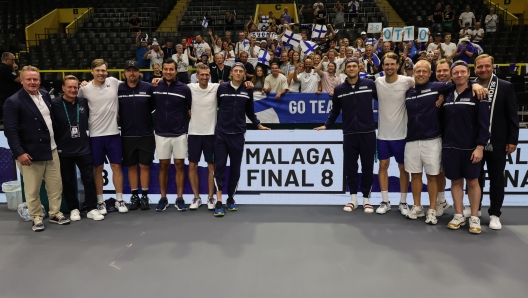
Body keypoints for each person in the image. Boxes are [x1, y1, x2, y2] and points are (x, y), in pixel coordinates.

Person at [4, 66, 70, 231]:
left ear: (39, 81)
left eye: (35, 79)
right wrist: (19, 153)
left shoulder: (46, 95)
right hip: (30, 153)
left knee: (56, 186)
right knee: (32, 189)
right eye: (29, 79)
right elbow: (10, 131)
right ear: (22, 80)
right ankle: (36, 217)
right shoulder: (13, 101)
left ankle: (55, 213)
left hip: (52, 149)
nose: (32, 82)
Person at [314, 57, 377, 213]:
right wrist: (327, 125)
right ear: (345, 69)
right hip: (349, 133)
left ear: (359, 68)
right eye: (349, 66)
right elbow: (335, 110)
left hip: (368, 133)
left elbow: (385, 99)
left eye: (354, 66)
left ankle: (367, 200)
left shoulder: (370, 85)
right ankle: (353, 199)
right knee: (351, 167)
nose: (351, 68)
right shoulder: (340, 90)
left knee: (368, 167)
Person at [213, 62, 270, 217]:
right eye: (235, 71)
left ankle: (230, 198)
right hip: (221, 134)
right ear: (231, 73)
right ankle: (218, 201)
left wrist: (258, 125)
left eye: (241, 71)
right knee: (220, 167)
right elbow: (211, 105)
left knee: (236, 169)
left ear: (244, 74)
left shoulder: (248, 90)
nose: (238, 73)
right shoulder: (222, 88)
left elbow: (250, 112)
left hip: (238, 134)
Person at [443, 60, 490, 234]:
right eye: (456, 73)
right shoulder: (447, 93)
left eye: (463, 72)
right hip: (450, 147)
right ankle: (459, 214)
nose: (459, 75)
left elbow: (484, 124)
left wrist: (480, 147)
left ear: (468, 74)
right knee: (455, 181)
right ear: (451, 75)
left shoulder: (478, 93)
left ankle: (475, 216)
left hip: (471, 148)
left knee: (472, 182)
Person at [474, 54, 519, 230]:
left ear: (493, 67)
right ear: (475, 68)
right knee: (475, 179)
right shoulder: (470, 85)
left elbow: (512, 115)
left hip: (498, 141)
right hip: (475, 142)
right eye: (480, 67)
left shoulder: (505, 87)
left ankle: (494, 214)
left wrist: (512, 139)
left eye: (486, 66)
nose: (483, 69)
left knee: (496, 179)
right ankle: (475, 209)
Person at [50, 75, 103, 221]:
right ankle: (74, 208)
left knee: (89, 179)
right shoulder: (54, 104)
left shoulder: (83, 102)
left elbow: (97, 90)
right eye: (70, 87)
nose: (73, 90)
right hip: (63, 149)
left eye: (75, 87)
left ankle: (91, 208)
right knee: (68, 181)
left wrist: (88, 83)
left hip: (83, 148)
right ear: (63, 88)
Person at [79, 59, 127, 214]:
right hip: (95, 136)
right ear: (92, 71)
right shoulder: (84, 89)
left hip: (113, 134)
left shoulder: (114, 82)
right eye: (98, 70)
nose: (101, 73)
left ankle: (119, 200)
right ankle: (100, 202)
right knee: (97, 168)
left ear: (107, 71)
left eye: (104, 70)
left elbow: (132, 82)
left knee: (116, 167)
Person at [374, 52, 414, 216]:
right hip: (383, 135)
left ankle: (403, 202)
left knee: (403, 168)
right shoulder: (378, 82)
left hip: (402, 135)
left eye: (392, 64)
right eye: (386, 64)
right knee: (383, 167)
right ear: (382, 66)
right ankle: (385, 201)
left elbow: (425, 88)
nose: (389, 67)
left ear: (398, 65)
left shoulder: (408, 81)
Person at [152, 59, 192, 212]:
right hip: (161, 133)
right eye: (166, 69)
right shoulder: (155, 87)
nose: (168, 72)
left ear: (176, 71)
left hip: (180, 133)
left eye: (171, 69)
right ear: (162, 70)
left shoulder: (184, 89)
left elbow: (191, 107)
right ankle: (163, 198)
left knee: (180, 165)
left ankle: (179, 198)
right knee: (163, 166)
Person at [118, 61, 155, 211]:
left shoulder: (148, 88)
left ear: (139, 72)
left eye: (134, 70)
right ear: (124, 73)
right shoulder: (118, 89)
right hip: (127, 134)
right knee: (132, 166)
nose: (132, 73)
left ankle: (145, 196)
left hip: (146, 133)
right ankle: (134, 196)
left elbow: (153, 107)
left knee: (144, 166)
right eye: (129, 70)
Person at [0, 52, 21, 123]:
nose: (14, 61)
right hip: (8, 94)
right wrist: (16, 70)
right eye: (12, 60)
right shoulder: (5, 68)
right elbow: (19, 80)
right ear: (6, 59)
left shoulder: (5, 68)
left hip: (4, 94)